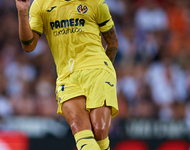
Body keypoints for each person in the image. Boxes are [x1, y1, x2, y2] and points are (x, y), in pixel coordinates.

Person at [15, 0, 119, 149]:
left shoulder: (95, 2)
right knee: (79, 127)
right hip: (67, 76)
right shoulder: (40, 4)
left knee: (99, 129)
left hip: (97, 70)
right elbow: (29, 45)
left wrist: (105, 72)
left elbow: (113, 42)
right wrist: (22, 11)